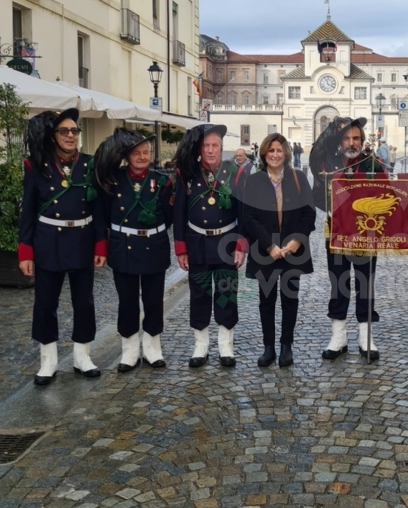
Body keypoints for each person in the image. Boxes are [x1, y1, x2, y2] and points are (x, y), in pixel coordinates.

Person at [18, 109, 106, 385]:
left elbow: (98, 208)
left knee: (84, 302)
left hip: (82, 240)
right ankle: (48, 361)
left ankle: (82, 356)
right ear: (53, 136)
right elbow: (28, 211)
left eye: (75, 131)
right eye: (64, 131)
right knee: (46, 303)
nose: (70, 135)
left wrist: (101, 246)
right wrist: (25, 251)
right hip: (48, 242)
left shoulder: (90, 165)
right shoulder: (36, 166)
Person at [94, 129, 174, 372]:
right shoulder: (113, 180)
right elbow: (104, 215)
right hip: (123, 248)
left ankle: (152, 349)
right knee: (127, 302)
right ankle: (129, 351)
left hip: (153, 247)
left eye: (146, 152)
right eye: (136, 153)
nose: (142, 157)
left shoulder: (162, 181)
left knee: (153, 301)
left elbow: (168, 217)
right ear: (126, 156)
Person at [310, 117, 385, 361]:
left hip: (366, 234)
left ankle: (366, 337)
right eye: (347, 138)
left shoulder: (373, 163)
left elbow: (386, 194)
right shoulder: (328, 164)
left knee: (366, 284)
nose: (352, 143)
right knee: (339, 284)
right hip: (337, 233)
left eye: (356, 138)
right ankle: (338, 337)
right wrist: (337, 211)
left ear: (362, 141)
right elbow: (317, 197)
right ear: (339, 141)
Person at [173, 124, 248, 367]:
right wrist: (181, 248)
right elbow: (179, 213)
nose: (211, 150)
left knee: (227, 294)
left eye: (215, 145)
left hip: (226, 243)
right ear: (199, 148)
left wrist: (240, 245)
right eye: (206, 145)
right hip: (197, 243)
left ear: (222, 147)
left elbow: (244, 213)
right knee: (199, 295)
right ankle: (201, 345)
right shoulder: (186, 173)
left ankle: (226, 345)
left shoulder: (234, 172)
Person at [242, 134, 316, 368]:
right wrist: (268, 245)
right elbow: (248, 217)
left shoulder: (298, 178)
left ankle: (286, 347)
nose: (275, 154)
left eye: (279, 150)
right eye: (270, 150)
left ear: (286, 153)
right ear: (264, 154)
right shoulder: (254, 181)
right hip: (265, 251)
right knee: (266, 300)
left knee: (290, 299)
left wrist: (297, 240)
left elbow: (309, 213)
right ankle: (269, 347)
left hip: (292, 250)